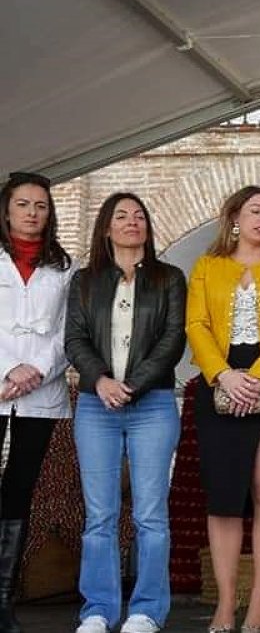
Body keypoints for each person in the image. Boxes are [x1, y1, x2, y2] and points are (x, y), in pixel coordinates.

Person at [65, 193, 188, 633]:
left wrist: (132, 385)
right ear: (106, 228)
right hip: (96, 407)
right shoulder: (85, 281)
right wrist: (100, 380)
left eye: (139, 216)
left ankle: (147, 611)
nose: (132, 222)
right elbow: (75, 340)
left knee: (150, 514)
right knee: (99, 514)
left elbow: (173, 340)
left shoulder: (169, 279)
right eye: (122, 216)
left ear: (148, 228)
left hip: (152, 404)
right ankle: (97, 610)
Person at [185, 186, 260, 633]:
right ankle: (224, 605)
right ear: (234, 217)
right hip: (219, 379)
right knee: (224, 498)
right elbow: (195, 324)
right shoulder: (207, 267)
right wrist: (224, 374)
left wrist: (257, 375)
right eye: (255, 211)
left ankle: (259, 603)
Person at [0, 172, 73, 633]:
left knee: (19, 489)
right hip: (2, 381)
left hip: (40, 392)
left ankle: (3, 600)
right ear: (6, 210)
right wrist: (8, 369)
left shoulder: (66, 267)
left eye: (41, 206)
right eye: (24, 205)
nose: (32, 213)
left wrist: (36, 371)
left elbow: (72, 330)